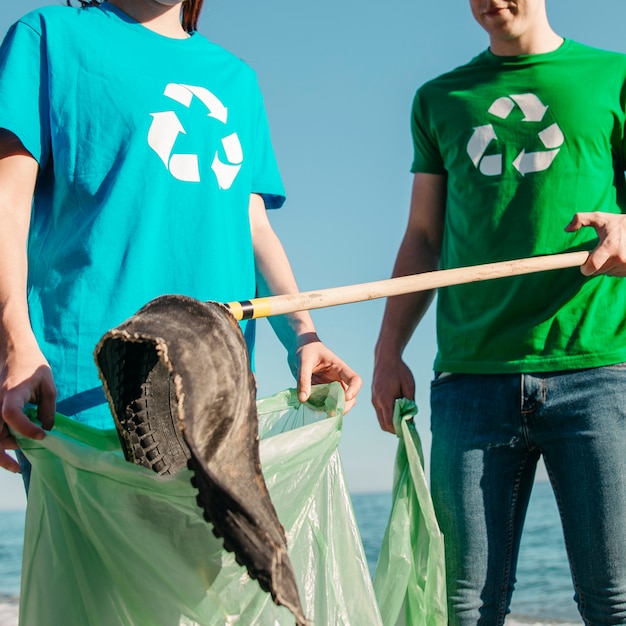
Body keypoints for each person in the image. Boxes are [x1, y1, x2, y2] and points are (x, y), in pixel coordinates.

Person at [0, 0, 361, 479]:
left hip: (216, 391)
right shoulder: (48, 37)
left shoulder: (237, 80)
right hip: (84, 399)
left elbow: (253, 228)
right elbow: (8, 203)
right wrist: (13, 344)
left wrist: (303, 335)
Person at [372, 1, 626, 624]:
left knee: (614, 600)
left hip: (596, 369)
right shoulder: (440, 98)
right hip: (470, 378)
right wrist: (387, 352)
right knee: (463, 607)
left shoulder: (614, 77)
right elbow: (424, 236)